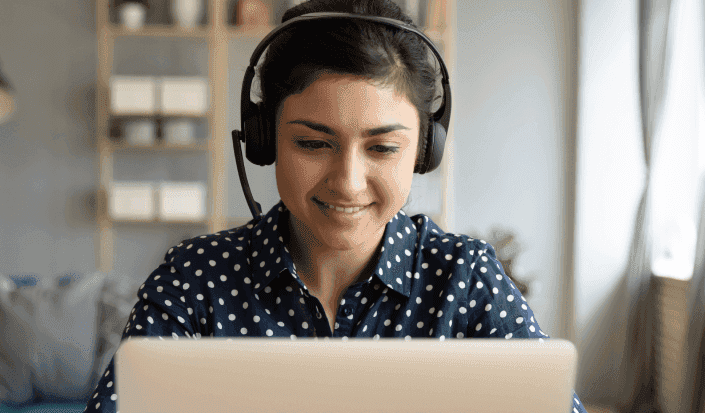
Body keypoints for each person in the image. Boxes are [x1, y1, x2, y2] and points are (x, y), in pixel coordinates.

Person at [86, 0, 587, 412]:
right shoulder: (195, 277)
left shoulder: (466, 278)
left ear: (423, 151)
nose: (347, 183)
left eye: (383, 148)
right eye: (312, 143)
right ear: (264, 141)